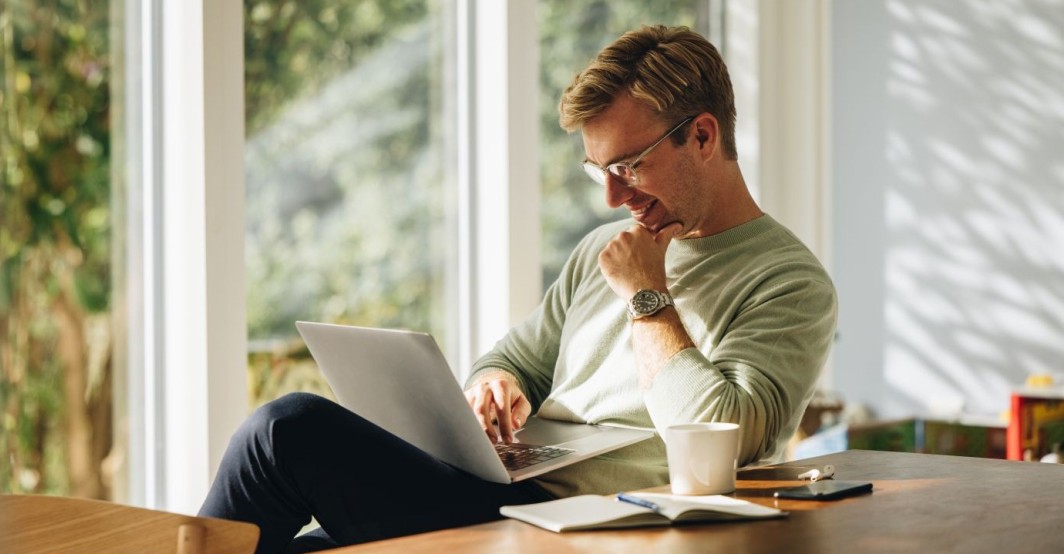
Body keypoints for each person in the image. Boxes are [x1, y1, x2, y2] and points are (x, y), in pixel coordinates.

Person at [200, 25, 837, 553]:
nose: (614, 197)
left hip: (595, 525)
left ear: (702, 136)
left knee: (285, 431)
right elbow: (514, 360)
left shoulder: (789, 283)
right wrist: (492, 387)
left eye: (628, 166)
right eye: (599, 172)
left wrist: (647, 297)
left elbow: (720, 431)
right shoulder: (600, 253)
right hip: (504, 495)